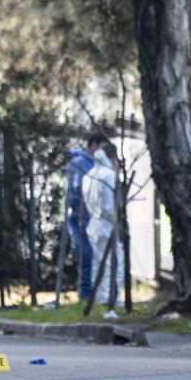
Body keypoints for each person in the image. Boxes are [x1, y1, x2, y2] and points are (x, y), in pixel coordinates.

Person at [64, 133, 109, 299]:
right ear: (93, 144)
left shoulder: (87, 163)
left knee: (91, 255)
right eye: (101, 148)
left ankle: (91, 294)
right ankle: (85, 294)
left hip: (87, 215)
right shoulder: (81, 164)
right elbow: (78, 190)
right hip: (81, 216)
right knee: (86, 255)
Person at [83, 141, 123, 319]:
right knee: (114, 262)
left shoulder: (88, 175)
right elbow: (110, 204)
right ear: (112, 156)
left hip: (93, 223)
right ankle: (111, 297)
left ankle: (99, 296)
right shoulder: (109, 176)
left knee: (98, 263)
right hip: (107, 223)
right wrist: (116, 215)